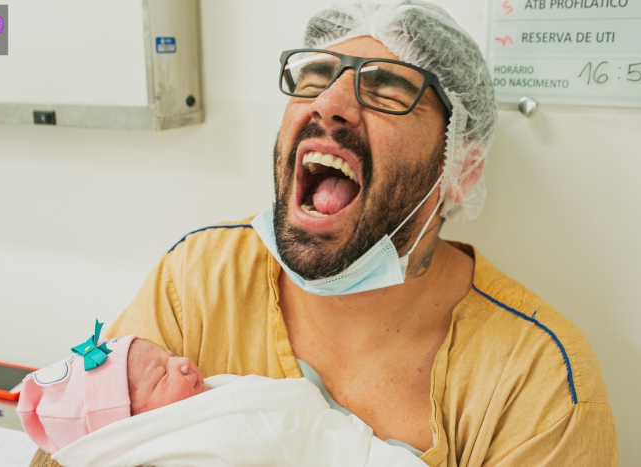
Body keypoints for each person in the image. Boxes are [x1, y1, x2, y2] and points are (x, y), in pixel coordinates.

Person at [32, 1, 618, 466]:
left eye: (388, 88)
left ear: (458, 167)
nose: (331, 102)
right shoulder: (201, 277)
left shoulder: (534, 382)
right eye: (313, 77)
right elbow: (81, 449)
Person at [20, 324, 428, 467]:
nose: (182, 363)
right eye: (161, 374)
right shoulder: (174, 452)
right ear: (131, 427)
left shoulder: (213, 394)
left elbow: (272, 405)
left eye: (170, 355)